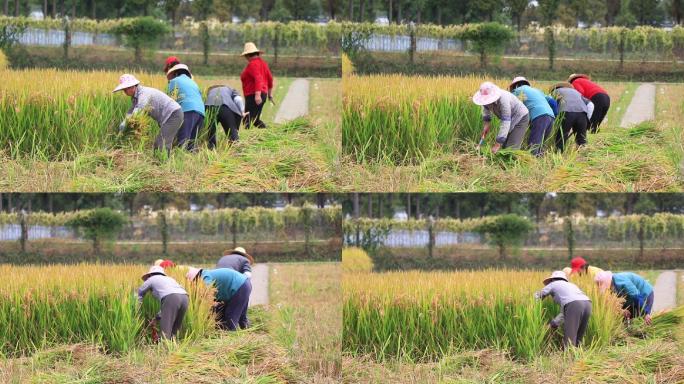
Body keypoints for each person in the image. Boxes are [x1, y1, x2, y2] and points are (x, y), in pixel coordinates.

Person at [113, 74, 183, 153]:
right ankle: (161, 162)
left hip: (173, 114)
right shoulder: (135, 97)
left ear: (132, 86)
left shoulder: (143, 94)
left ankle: (163, 163)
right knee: (159, 144)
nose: (124, 92)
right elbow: (132, 110)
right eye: (123, 90)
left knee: (161, 144)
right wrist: (125, 120)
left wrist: (126, 123)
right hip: (166, 116)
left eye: (125, 90)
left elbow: (138, 110)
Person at [535, 271, 592, 348]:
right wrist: (553, 324)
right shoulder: (571, 285)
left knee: (570, 336)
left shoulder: (553, 284)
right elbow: (565, 312)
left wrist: (532, 305)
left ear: (552, 279)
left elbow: (538, 295)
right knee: (579, 335)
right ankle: (578, 356)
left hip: (574, 305)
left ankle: (569, 357)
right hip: (588, 304)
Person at [186, 266, 252, 330]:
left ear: (196, 278)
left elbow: (208, 293)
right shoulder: (207, 273)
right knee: (242, 316)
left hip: (239, 287)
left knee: (230, 318)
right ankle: (247, 329)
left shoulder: (205, 277)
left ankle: (231, 334)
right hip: (244, 284)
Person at [473, 82, 530, 154]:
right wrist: (486, 126)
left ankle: (513, 161)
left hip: (521, 117)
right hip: (510, 119)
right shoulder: (485, 101)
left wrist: (498, 143)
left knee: (511, 149)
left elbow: (505, 121)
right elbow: (486, 113)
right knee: (504, 147)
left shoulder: (503, 100)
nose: (487, 102)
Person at [137, 266, 189, 339]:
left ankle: (164, 347)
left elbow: (139, 293)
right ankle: (173, 345)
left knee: (166, 328)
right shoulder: (170, 279)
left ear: (150, 275)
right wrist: (157, 318)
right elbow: (167, 307)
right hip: (185, 297)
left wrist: (137, 308)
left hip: (172, 297)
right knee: (175, 327)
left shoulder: (151, 279)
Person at [509, 77, 555, 157]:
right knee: (540, 144)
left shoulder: (517, 91)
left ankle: (532, 164)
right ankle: (541, 164)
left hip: (539, 116)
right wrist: (555, 113)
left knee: (533, 145)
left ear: (515, 85)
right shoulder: (537, 90)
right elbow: (552, 101)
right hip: (551, 116)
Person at [166, 64, 205, 151]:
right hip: (201, 112)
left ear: (175, 74)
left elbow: (170, 101)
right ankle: (191, 162)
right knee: (191, 143)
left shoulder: (174, 81)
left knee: (183, 140)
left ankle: (181, 160)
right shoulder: (194, 83)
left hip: (188, 110)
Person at [549, 82, 594, 152]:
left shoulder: (555, 92)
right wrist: (587, 119)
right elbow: (590, 104)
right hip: (582, 114)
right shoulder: (576, 92)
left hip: (566, 113)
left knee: (562, 137)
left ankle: (558, 155)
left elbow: (552, 104)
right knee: (581, 139)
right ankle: (584, 157)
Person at [240, 42, 274, 129]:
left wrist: (257, 95)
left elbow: (258, 78)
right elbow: (270, 79)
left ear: (247, 55)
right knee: (255, 120)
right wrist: (269, 94)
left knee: (247, 120)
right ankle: (268, 133)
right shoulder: (263, 64)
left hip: (253, 95)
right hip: (263, 94)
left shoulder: (252, 64)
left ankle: (246, 141)